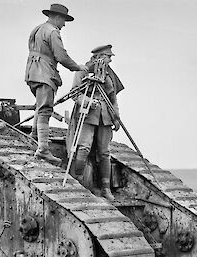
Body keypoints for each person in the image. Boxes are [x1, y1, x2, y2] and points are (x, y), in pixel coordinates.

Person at [25, 4, 88, 165]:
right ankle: (43, 150)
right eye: (64, 20)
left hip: (32, 72)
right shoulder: (53, 32)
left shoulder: (38, 29)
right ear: (57, 17)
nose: (64, 24)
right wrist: (78, 67)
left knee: (40, 105)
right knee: (45, 108)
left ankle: (34, 135)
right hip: (45, 73)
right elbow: (61, 56)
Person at [66, 45, 124, 201]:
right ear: (99, 56)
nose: (110, 60)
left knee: (105, 152)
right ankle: (78, 181)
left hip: (105, 117)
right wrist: (88, 102)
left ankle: (105, 188)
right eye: (108, 56)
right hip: (87, 116)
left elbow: (113, 99)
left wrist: (116, 117)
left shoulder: (109, 75)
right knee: (83, 148)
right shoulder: (83, 71)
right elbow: (74, 94)